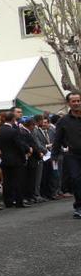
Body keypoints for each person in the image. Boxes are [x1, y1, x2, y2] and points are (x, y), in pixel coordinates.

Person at [51, 91, 81, 219]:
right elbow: (57, 139)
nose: (76, 103)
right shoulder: (63, 121)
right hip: (73, 155)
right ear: (68, 103)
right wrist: (54, 155)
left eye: (78, 101)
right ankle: (79, 207)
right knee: (76, 180)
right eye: (73, 101)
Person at [0, 108, 32, 209]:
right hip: (16, 159)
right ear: (12, 119)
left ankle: (8, 201)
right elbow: (19, 144)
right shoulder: (13, 131)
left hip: (5, 159)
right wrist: (27, 150)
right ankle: (19, 201)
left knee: (7, 181)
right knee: (18, 181)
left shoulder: (0, 130)